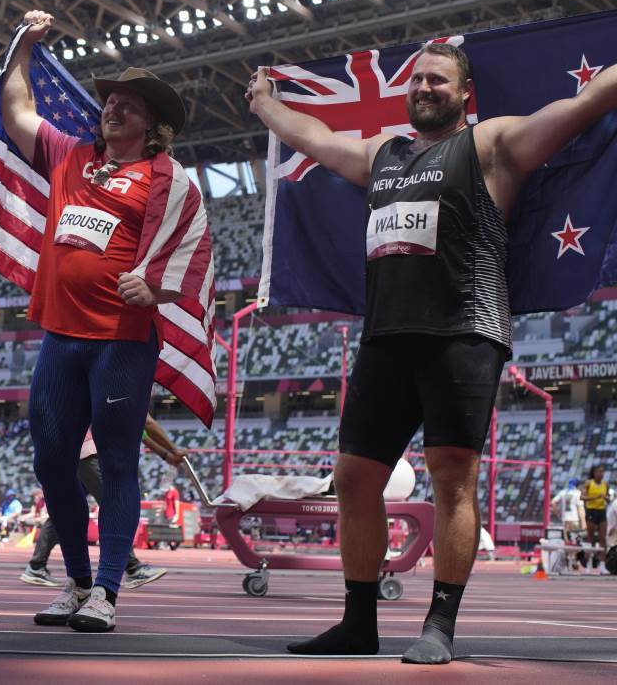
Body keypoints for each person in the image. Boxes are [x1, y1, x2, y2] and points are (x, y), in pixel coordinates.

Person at [247, 42, 617, 664]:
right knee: (354, 478)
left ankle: (439, 626)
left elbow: (587, 102)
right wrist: (265, 106)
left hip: (464, 332)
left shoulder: (491, 144)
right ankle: (358, 623)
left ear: (464, 92)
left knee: (451, 478)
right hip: (387, 337)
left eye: (438, 80)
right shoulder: (381, 154)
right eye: (417, 79)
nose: (424, 87)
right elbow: (313, 136)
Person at [2, 10, 211, 633]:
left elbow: (194, 249)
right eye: (110, 100)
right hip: (61, 337)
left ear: (155, 127)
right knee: (49, 459)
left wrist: (156, 287)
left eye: (127, 105)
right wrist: (21, 48)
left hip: (121, 340)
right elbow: (16, 115)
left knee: (117, 461)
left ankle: (108, 592)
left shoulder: (167, 182)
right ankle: (77, 578)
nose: (112, 109)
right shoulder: (70, 157)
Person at [21, 414, 185, 589]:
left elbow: (140, 432)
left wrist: (166, 454)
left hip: (71, 447)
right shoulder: (129, 387)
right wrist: (172, 450)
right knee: (114, 503)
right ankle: (133, 567)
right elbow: (146, 422)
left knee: (66, 509)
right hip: (87, 451)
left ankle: (36, 566)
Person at [580, 465, 610, 572]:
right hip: (591, 511)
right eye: (599, 472)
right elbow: (582, 497)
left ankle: (602, 565)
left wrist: (606, 498)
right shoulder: (589, 483)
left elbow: (608, 498)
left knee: (603, 538)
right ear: (594, 473)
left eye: (602, 472)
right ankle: (588, 563)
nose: (601, 474)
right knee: (590, 538)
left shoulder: (605, 484)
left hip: (601, 511)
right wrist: (595, 497)